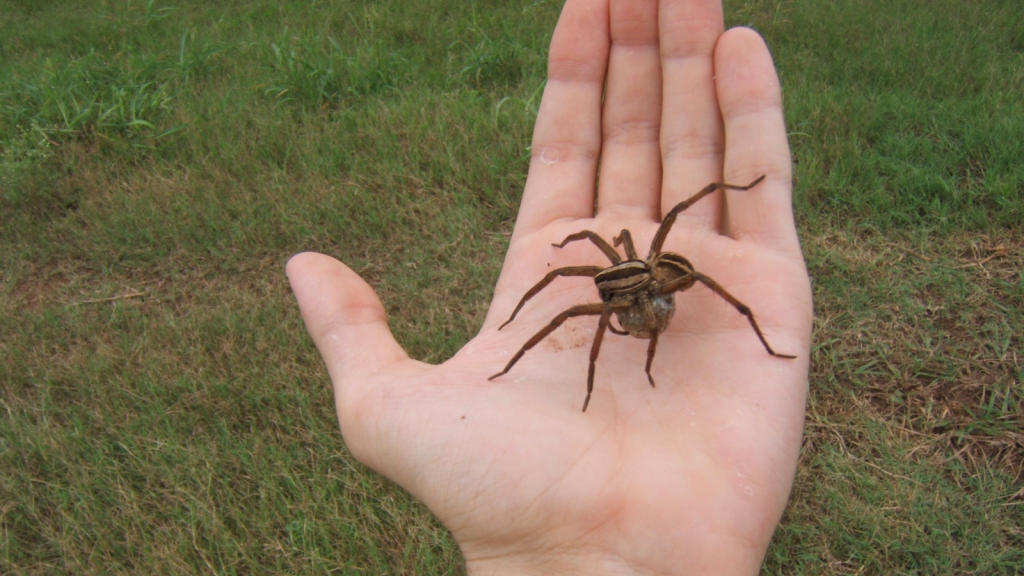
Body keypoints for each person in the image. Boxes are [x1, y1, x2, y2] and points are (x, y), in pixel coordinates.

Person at [287, 0, 813, 573]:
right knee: (565, 295)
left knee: (623, 282)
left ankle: (755, 329)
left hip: (661, 271)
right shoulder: (610, 274)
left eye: (611, 285)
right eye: (608, 283)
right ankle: (519, 357)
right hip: (643, 272)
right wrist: (562, 263)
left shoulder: (650, 275)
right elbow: (586, 254)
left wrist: (647, 341)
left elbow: (638, 289)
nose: (606, 290)